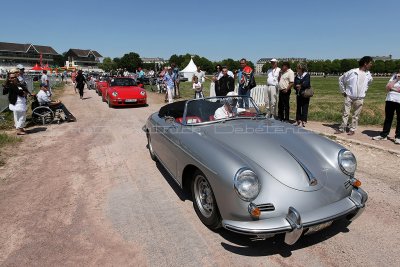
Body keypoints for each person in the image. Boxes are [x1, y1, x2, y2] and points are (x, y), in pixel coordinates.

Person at [335, 56, 374, 135]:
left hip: (360, 98)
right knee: (345, 113)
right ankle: (342, 128)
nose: (371, 65)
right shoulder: (352, 72)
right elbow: (341, 79)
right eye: (370, 63)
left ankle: (352, 129)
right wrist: (343, 91)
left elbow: (369, 82)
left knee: (356, 115)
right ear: (365, 63)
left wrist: (364, 91)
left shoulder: (368, 74)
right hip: (349, 96)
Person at [372, 70, 400, 144]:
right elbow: (388, 87)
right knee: (388, 118)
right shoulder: (394, 76)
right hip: (390, 99)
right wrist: (396, 79)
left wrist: (393, 89)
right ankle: (384, 135)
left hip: (399, 100)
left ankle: (398, 137)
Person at [2, 71, 29, 135]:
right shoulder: (12, 85)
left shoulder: (17, 83)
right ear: (9, 78)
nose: (13, 78)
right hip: (17, 102)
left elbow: (24, 88)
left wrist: (25, 92)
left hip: (18, 102)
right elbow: (20, 93)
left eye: (14, 77)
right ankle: (19, 129)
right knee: (22, 116)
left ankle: (20, 128)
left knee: (17, 116)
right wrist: (24, 93)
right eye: (11, 78)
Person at [294, 63, 311, 127]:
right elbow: (295, 84)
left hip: (305, 93)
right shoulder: (297, 76)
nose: (297, 69)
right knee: (298, 107)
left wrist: (300, 85)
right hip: (298, 93)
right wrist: (296, 87)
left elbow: (307, 83)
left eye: (298, 68)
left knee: (304, 107)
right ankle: (298, 120)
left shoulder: (306, 75)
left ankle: (303, 121)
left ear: (301, 69)